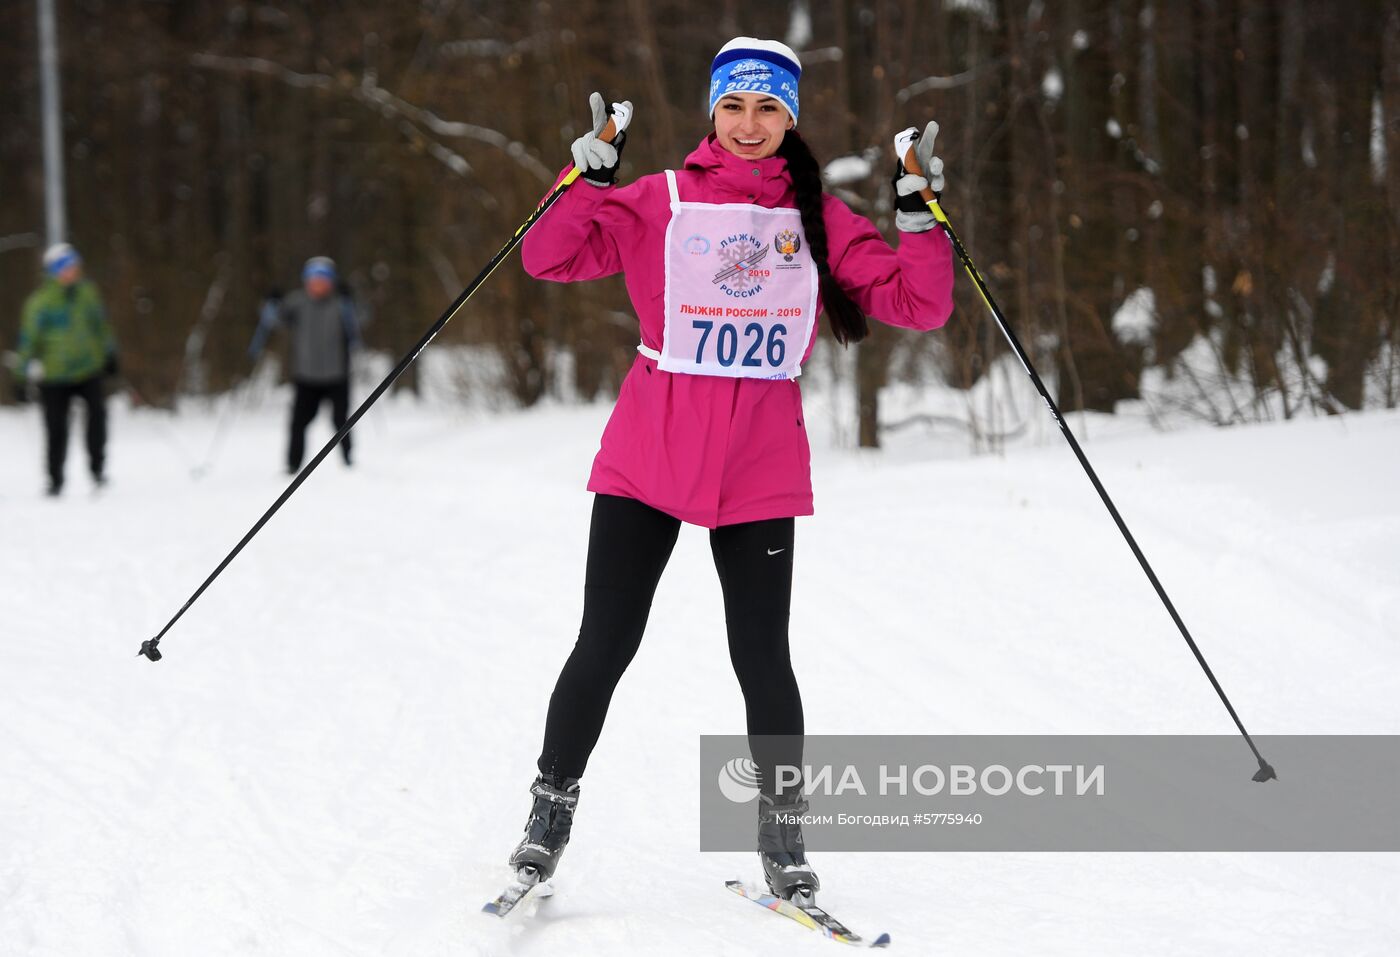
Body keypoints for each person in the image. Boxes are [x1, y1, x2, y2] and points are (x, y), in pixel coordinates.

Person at [499, 37, 955, 905]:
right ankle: (547, 815)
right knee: (606, 640)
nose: (751, 125)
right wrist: (583, 179)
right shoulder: (659, 200)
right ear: (713, 111)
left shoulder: (817, 219)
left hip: (757, 465)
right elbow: (547, 257)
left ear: (791, 117)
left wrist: (917, 213)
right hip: (648, 455)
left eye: (770, 109)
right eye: (736, 107)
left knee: (762, 656)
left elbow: (919, 302)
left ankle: (784, 839)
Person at [13, 243, 119, 496]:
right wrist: (20, 374)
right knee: (56, 428)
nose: (73, 272)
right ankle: (55, 479)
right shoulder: (40, 303)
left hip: (88, 369)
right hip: (54, 375)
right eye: (67, 267)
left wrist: (110, 353)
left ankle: (98, 470)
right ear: (54, 271)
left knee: (97, 417)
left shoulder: (87, 294)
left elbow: (101, 325)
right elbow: (28, 340)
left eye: (75, 266)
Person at [248, 257, 368, 473]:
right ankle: (292, 466)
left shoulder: (341, 303)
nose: (318, 285)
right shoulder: (297, 302)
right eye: (314, 280)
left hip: (336, 374)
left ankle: (349, 461)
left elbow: (361, 319)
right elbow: (273, 319)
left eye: (323, 280)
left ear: (331, 282)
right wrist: (270, 302)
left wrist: (353, 298)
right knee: (298, 423)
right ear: (306, 281)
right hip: (306, 375)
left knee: (341, 420)